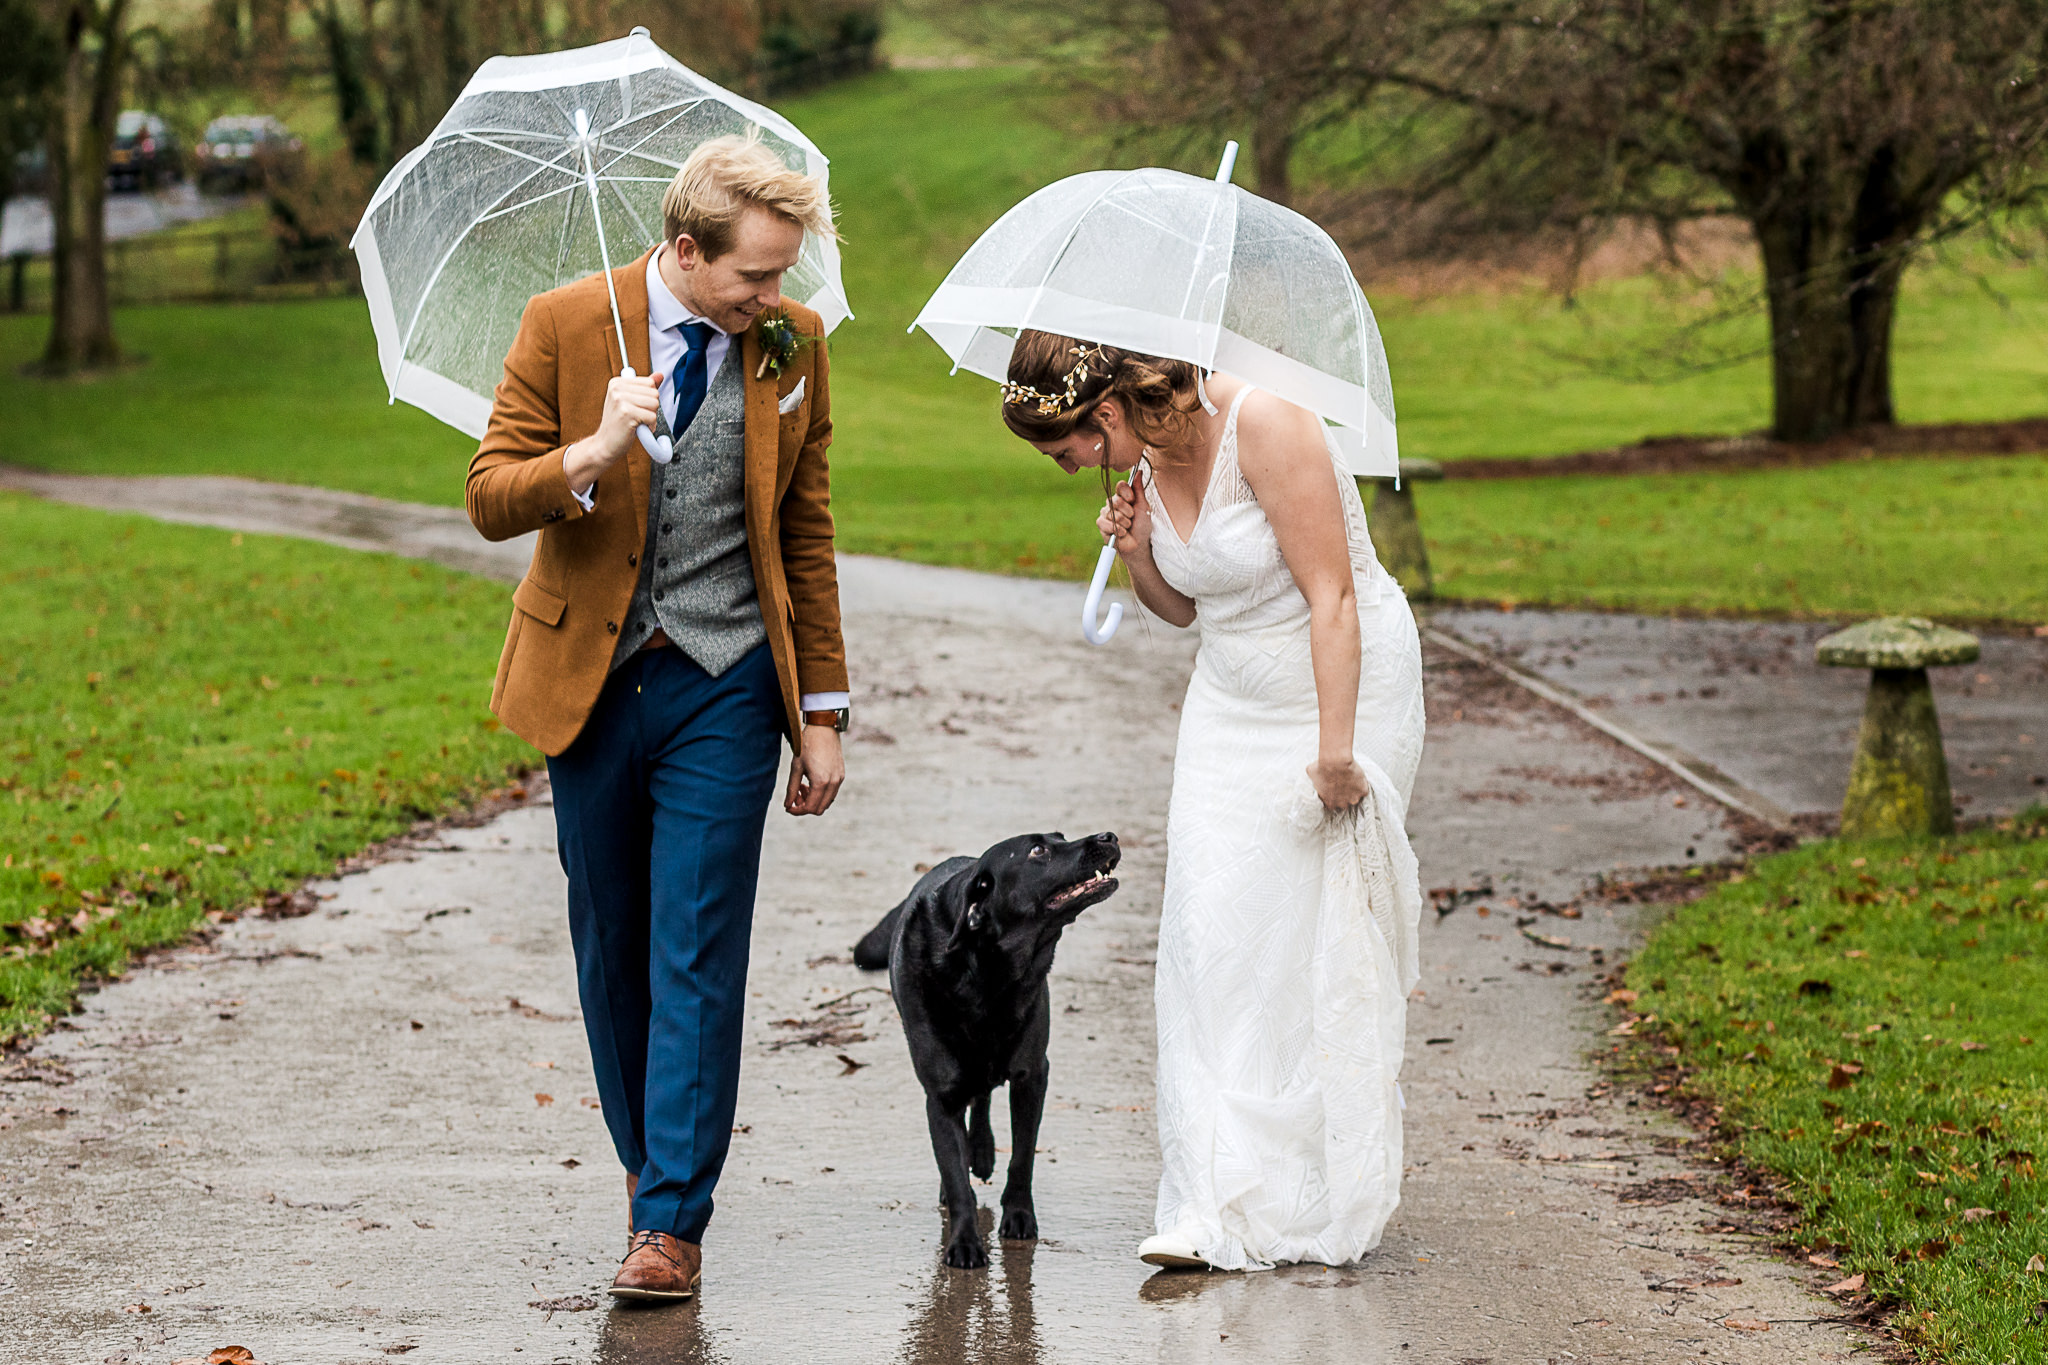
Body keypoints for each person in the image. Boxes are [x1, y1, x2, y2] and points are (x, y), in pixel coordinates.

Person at [465, 132, 852, 1303]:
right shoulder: (565, 322)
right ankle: (652, 1174)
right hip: (589, 679)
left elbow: (807, 526)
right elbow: (489, 495)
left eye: (783, 275)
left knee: (696, 943)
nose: (772, 298)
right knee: (613, 950)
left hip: (726, 682)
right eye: (753, 277)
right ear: (686, 252)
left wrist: (820, 709)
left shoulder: (790, 345)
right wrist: (587, 449)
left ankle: (669, 1219)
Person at [999, 333, 1425, 1272]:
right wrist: (1143, 552)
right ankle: (1208, 1199)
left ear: (1103, 412)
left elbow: (1335, 599)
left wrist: (1337, 753)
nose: (1066, 465)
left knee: (1310, 939)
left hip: (1338, 687)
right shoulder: (1146, 452)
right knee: (1207, 935)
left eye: (1063, 447)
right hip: (1229, 703)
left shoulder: (1266, 423)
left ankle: (1310, 1189)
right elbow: (1187, 610)